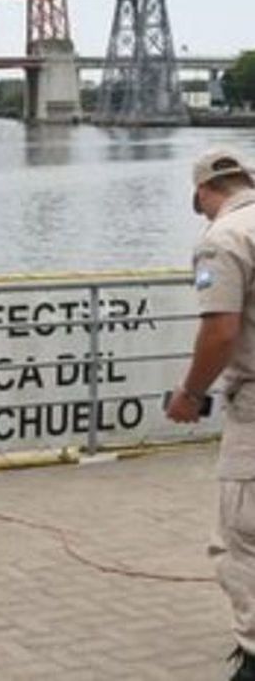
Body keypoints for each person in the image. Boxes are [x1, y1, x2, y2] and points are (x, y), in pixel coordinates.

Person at [166, 147, 255, 681]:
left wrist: (190, 393)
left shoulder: (223, 239)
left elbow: (220, 331)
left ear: (203, 192)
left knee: (244, 536)